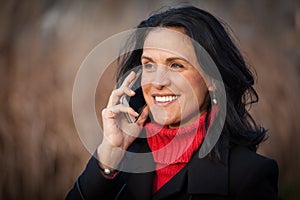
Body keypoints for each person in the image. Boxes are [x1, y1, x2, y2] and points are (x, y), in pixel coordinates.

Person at [66, 6, 280, 200]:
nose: (158, 82)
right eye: (148, 65)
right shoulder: (120, 163)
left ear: (212, 79)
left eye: (176, 65)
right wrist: (110, 153)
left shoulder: (248, 175)